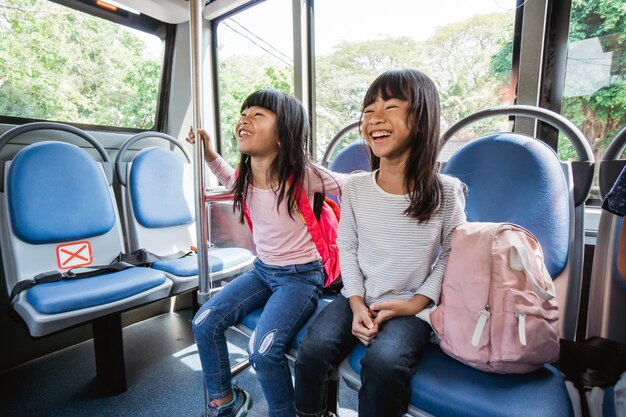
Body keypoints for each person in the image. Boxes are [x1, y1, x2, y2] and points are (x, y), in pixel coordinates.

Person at [293, 69, 467, 417]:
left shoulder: (446, 190)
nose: (375, 118)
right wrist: (356, 303)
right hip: (361, 295)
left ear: (421, 119)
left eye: (390, 107)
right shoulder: (357, 187)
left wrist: (416, 303)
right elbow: (348, 248)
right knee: (312, 351)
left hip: (412, 306)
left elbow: (453, 253)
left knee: (385, 364)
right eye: (369, 110)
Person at [187, 89, 347, 417]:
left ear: (282, 133)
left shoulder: (303, 174)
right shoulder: (246, 177)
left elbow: (351, 185)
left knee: (261, 352)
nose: (245, 118)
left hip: (300, 277)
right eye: (244, 113)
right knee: (204, 320)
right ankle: (224, 399)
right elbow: (227, 177)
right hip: (263, 270)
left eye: (258, 114)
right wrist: (208, 153)